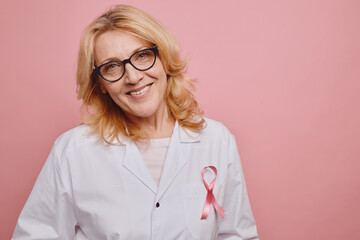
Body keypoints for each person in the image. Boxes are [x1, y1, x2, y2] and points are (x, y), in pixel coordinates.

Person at [12, 4, 259, 240]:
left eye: (142, 56)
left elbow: (237, 235)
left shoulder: (217, 140)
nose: (132, 77)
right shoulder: (72, 151)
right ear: (101, 84)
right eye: (111, 67)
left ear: (164, 59)